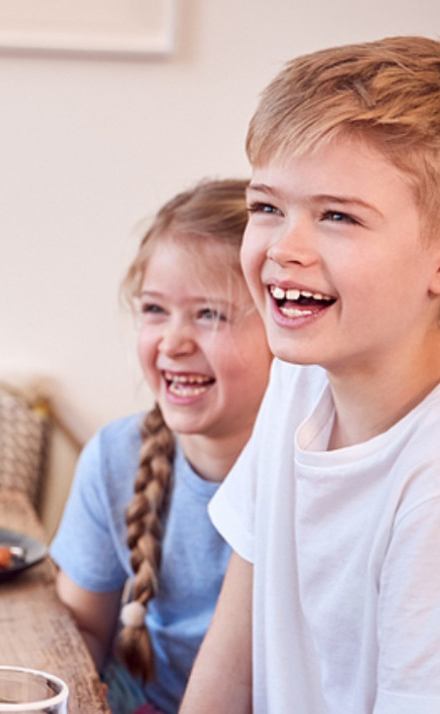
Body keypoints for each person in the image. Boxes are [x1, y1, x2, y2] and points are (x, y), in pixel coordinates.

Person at [181, 37, 440, 713]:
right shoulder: (303, 377)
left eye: (338, 216)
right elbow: (231, 659)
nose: (284, 249)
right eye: (267, 207)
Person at [50, 179, 273, 714]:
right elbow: (76, 632)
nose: (173, 342)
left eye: (210, 314)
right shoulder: (114, 458)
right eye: (155, 309)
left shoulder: (320, 477)